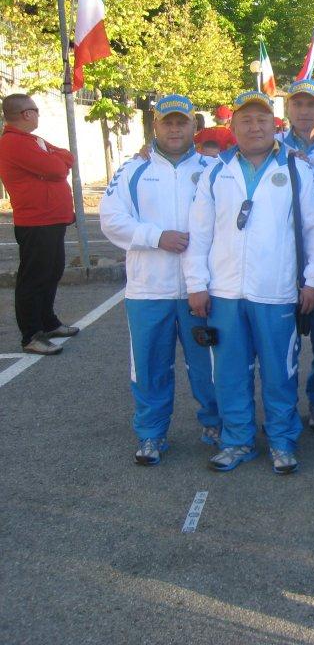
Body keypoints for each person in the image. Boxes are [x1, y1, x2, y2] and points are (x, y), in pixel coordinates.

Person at [184, 90, 314, 475]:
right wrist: (196, 283)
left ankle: (282, 441)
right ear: (232, 126)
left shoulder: (297, 168)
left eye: (262, 120)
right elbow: (199, 233)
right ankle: (237, 440)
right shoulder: (215, 171)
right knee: (230, 373)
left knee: (280, 374)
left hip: (277, 292)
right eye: (246, 121)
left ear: (274, 124)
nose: (255, 127)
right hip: (225, 293)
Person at [99, 94, 220, 466]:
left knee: (210, 365)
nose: (175, 129)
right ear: (155, 125)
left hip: (202, 289)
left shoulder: (214, 168)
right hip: (148, 290)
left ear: (194, 126)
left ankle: (216, 424)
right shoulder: (132, 170)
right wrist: (156, 237)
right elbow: (111, 219)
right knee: (149, 366)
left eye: (182, 122)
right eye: (168, 122)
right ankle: (151, 434)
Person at [0, 93, 79, 355]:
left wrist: (56, 160)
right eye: (35, 110)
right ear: (26, 114)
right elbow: (57, 168)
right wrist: (56, 162)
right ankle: (31, 335)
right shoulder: (14, 142)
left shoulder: (33, 140)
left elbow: (65, 156)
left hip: (52, 219)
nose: (38, 115)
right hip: (36, 222)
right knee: (34, 279)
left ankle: (48, 323)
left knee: (52, 271)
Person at [278, 79, 314, 431]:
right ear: (287, 108)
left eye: (311, 104)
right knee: (282, 348)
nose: (304, 111)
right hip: (283, 264)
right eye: (297, 104)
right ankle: (282, 414)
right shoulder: (270, 147)